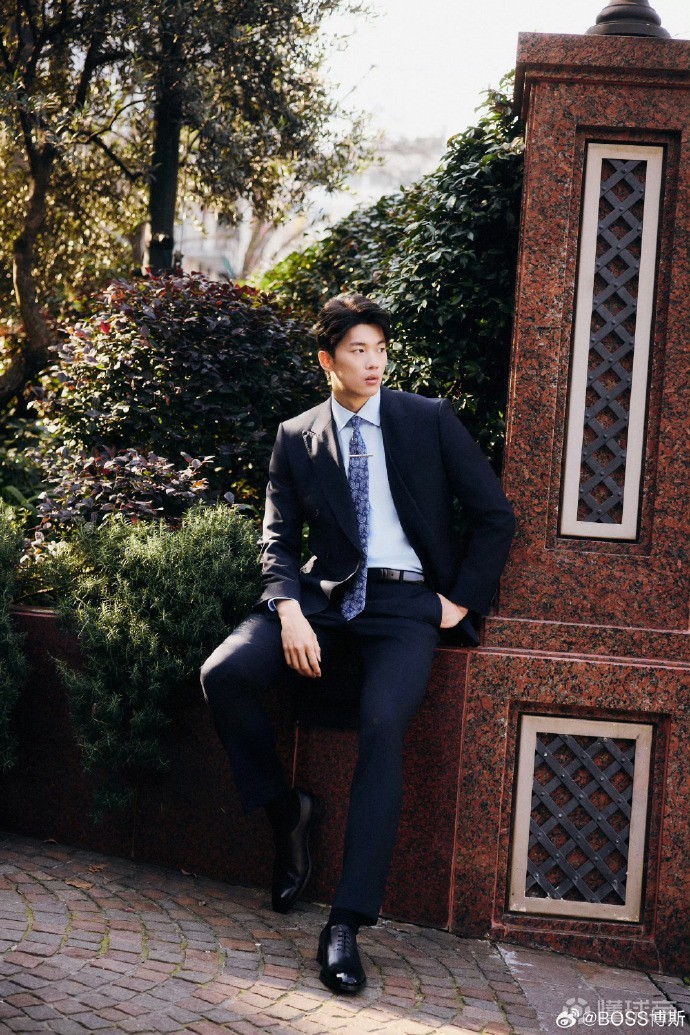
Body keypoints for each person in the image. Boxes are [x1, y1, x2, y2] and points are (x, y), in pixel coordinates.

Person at [200, 293, 515, 994]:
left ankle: (345, 921)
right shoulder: (298, 435)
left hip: (407, 604)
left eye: (380, 349)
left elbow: (494, 514)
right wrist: (288, 609)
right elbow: (278, 539)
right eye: (357, 351)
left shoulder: (426, 419)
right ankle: (286, 811)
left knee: (381, 725)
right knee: (224, 673)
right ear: (328, 360)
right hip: (322, 599)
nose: (373, 363)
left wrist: (460, 600)